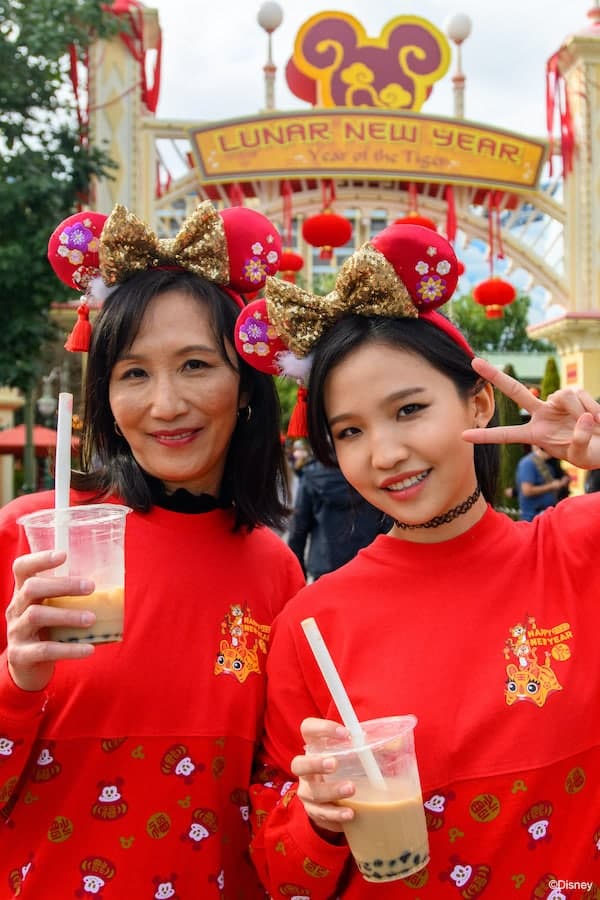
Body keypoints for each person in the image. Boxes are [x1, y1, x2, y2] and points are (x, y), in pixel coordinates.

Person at [232, 223, 600, 895]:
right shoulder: (313, 624)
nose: (384, 454)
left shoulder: (578, 551)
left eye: (409, 410)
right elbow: (284, 877)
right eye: (350, 431)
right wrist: (316, 819)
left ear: (479, 402)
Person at [0, 202, 304, 897]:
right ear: (104, 398)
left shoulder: (277, 572)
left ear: (247, 391)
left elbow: (276, 801)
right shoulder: (29, 542)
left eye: (195, 365)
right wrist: (16, 681)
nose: (165, 404)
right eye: (134, 374)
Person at [287, 455, 391, 580]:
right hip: (368, 564)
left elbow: (298, 529)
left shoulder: (311, 476)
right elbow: (387, 524)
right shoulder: (371, 473)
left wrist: (298, 575)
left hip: (326, 566)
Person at [515, 444, 570, 521]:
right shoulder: (528, 463)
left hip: (547, 516)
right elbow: (527, 491)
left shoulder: (550, 463)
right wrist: (552, 486)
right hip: (533, 517)